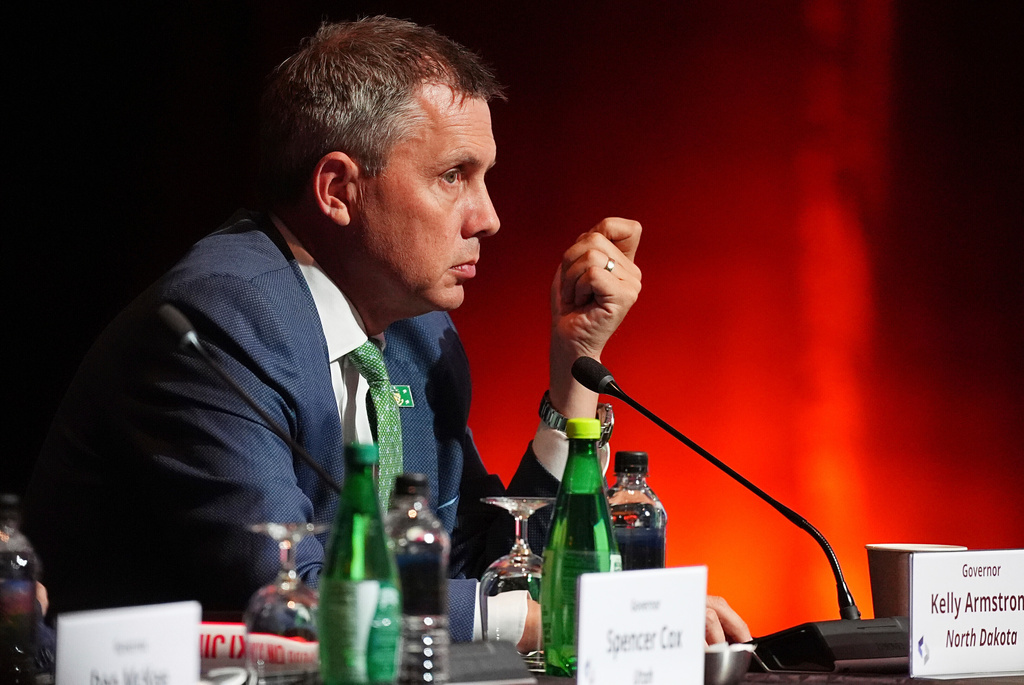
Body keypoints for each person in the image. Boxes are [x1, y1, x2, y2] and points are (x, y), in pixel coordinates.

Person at [24, 16, 748, 648]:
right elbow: (292, 591)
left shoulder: (419, 335)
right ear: (339, 190)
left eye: (486, 177)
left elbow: (468, 563)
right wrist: (554, 616)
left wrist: (574, 371)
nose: (488, 217)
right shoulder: (220, 322)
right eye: (453, 176)